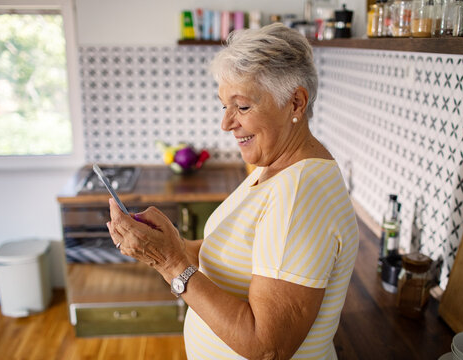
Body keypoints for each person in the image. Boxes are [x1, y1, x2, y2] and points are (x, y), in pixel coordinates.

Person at [107, 23, 359, 360]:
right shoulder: (273, 167)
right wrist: (169, 245)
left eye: (241, 107)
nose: (226, 123)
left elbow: (268, 347)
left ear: (296, 102)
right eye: (224, 105)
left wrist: (170, 264)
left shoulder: (298, 194)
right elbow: (233, 255)